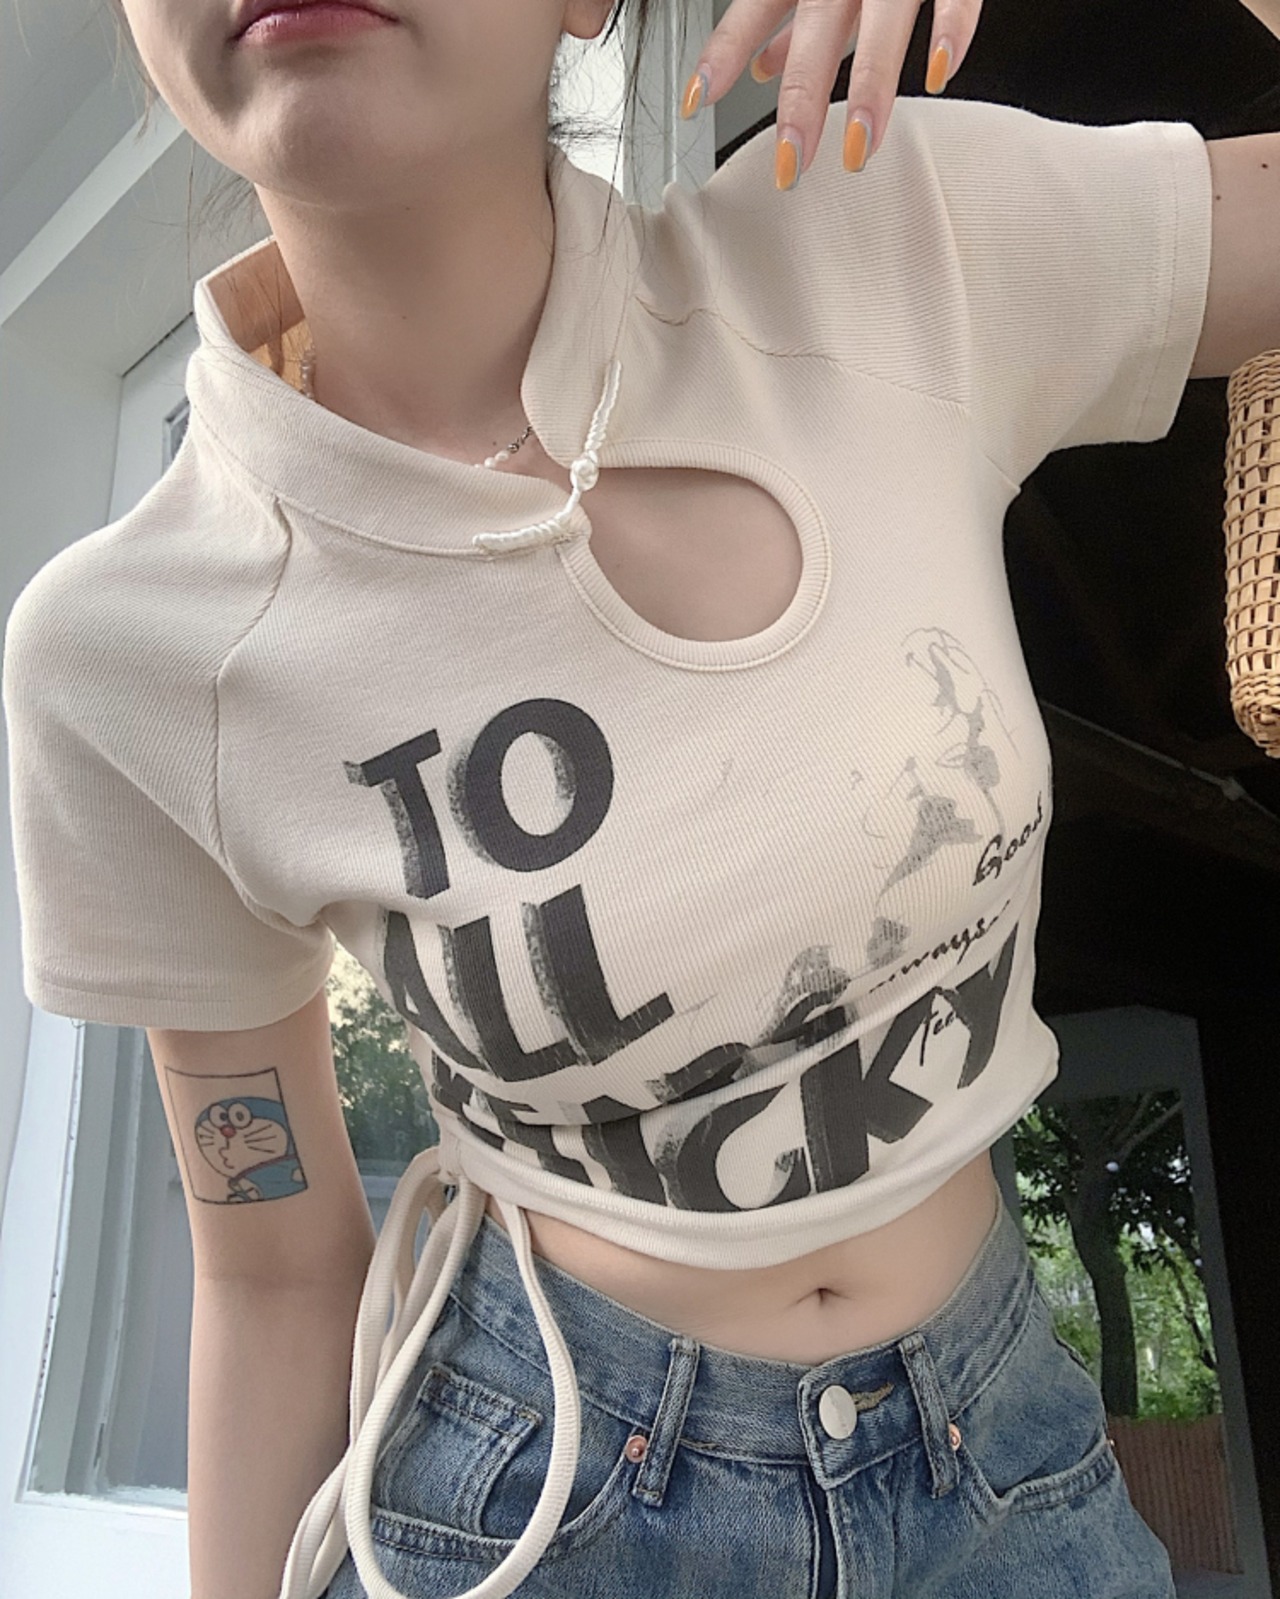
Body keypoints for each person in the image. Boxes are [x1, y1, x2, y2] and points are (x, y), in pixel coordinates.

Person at [3, 0, 1271, 1594]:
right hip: (538, 1505)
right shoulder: (129, 652)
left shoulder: (887, 235)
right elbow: (269, 1273)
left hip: (1008, 1454)